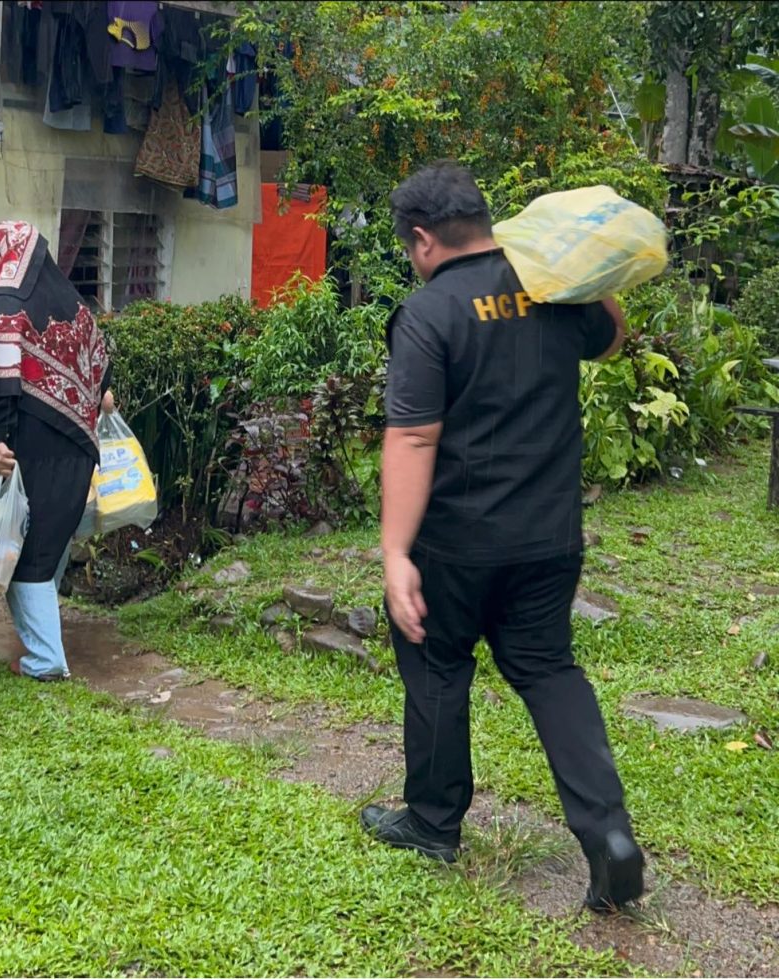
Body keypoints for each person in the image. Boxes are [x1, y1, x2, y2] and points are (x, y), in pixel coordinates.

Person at [360, 162, 644, 913]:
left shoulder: (429, 312)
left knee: (436, 664)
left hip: (455, 542)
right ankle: (609, 834)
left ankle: (432, 822)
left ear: (423, 240)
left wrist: (396, 555)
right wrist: (590, 272)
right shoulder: (551, 288)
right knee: (549, 671)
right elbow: (611, 339)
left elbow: (413, 437)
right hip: (550, 536)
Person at [0, 220, 114, 681]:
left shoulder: (5, 300)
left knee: (20, 556)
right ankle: (45, 640)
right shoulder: (73, 303)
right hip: (79, 449)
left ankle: (46, 660)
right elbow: (102, 370)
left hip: (28, 450)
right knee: (49, 544)